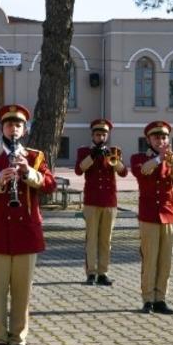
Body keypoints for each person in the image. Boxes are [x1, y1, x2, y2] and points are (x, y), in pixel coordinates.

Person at [0, 105, 56, 345]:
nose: (13, 129)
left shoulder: (36, 157)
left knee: (22, 292)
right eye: (9, 125)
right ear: (1, 128)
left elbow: (49, 185)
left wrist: (29, 173)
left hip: (26, 233)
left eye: (18, 125)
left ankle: (18, 340)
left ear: (25, 129)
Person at [130, 120, 173, 315]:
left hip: (169, 214)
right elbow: (141, 171)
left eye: (163, 137)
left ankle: (160, 298)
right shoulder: (139, 157)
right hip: (149, 216)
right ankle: (147, 299)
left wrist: (172, 163)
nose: (160, 140)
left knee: (165, 260)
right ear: (148, 140)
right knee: (150, 259)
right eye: (156, 137)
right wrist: (158, 159)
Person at [74, 118, 129, 286]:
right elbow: (78, 170)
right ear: (92, 135)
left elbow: (123, 172)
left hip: (109, 201)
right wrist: (92, 156)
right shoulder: (84, 151)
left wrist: (114, 160)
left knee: (106, 240)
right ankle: (91, 273)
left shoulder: (114, 151)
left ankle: (103, 273)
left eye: (104, 134)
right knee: (91, 239)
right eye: (98, 134)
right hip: (91, 201)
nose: (101, 137)